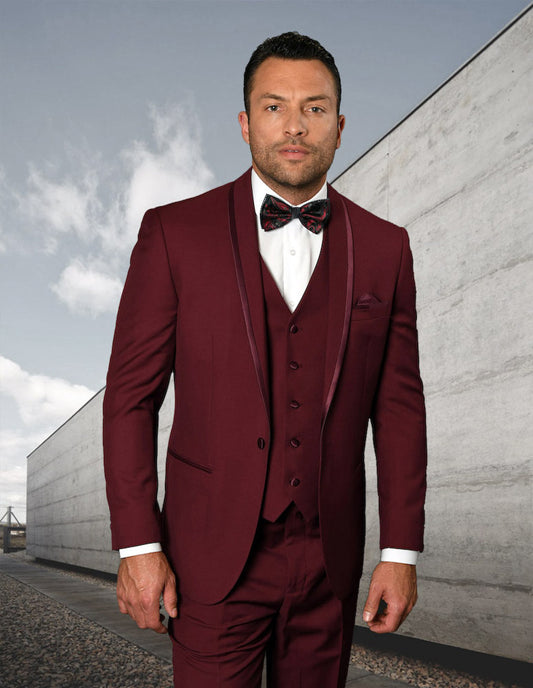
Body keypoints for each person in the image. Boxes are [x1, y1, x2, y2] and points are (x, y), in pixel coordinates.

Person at [103, 31, 427, 688]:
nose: (295, 126)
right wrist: (139, 545)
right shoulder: (173, 234)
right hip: (208, 560)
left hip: (327, 559)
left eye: (314, 108)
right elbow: (129, 398)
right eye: (275, 106)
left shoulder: (386, 247)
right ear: (246, 122)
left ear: (338, 126)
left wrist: (399, 550)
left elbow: (398, 408)